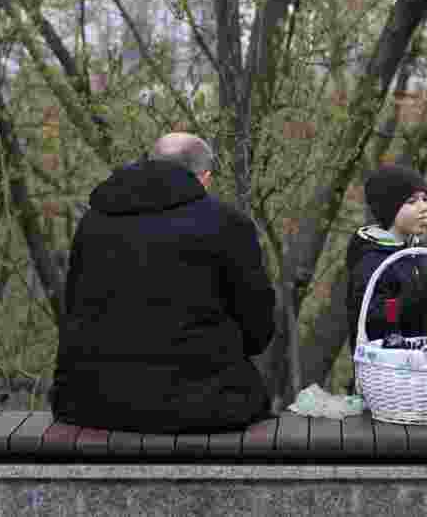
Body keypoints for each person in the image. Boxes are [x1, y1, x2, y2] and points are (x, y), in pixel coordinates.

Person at [49, 133, 276, 433]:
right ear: (204, 178)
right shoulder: (226, 224)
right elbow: (258, 332)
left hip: (90, 403)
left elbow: (74, 311)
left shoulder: (94, 221)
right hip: (204, 405)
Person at [345, 165, 427, 386]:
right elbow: (376, 319)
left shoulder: (421, 257)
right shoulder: (371, 262)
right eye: (411, 201)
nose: (424, 207)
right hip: (391, 383)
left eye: (425, 199)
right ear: (389, 208)